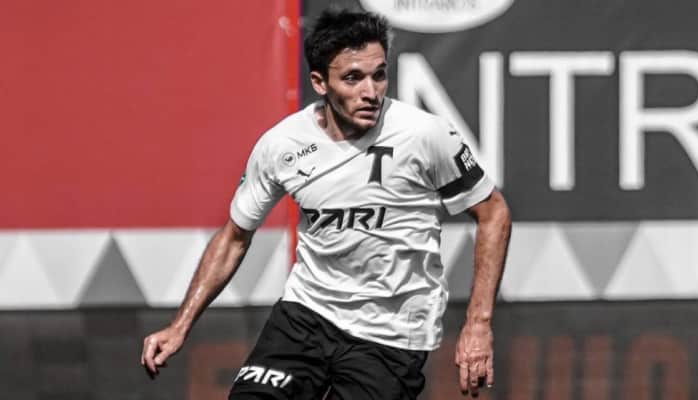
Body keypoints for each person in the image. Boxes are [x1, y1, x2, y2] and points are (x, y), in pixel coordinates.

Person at [141, 8, 511, 400]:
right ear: (320, 82)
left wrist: (478, 324)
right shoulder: (282, 145)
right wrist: (179, 326)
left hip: (391, 333)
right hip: (306, 315)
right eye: (352, 78)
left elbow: (494, 213)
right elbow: (234, 238)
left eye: (379, 75)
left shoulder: (424, 134)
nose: (371, 92)